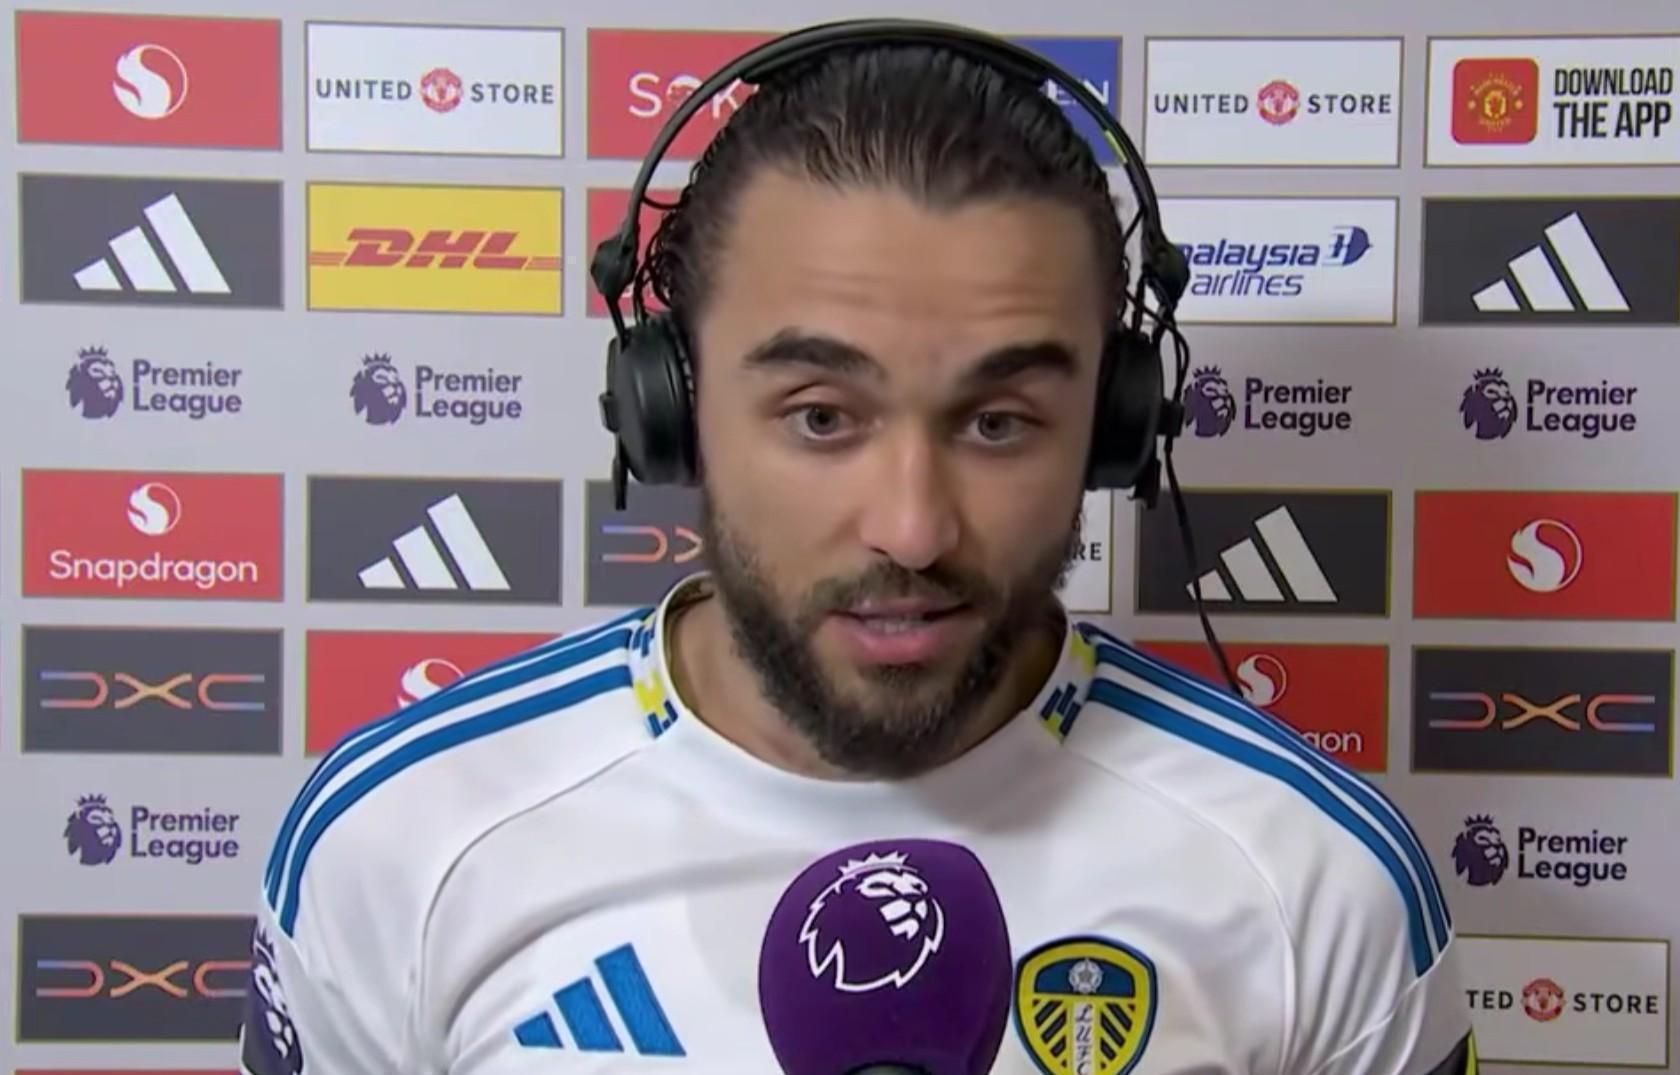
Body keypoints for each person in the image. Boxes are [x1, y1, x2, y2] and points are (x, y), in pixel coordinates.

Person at [239, 28, 1475, 1075]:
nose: (913, 526)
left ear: (1112, 428)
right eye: (822, 416)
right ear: (671, 411)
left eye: (1000, 423)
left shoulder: (1320, 881)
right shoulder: (398, 841)